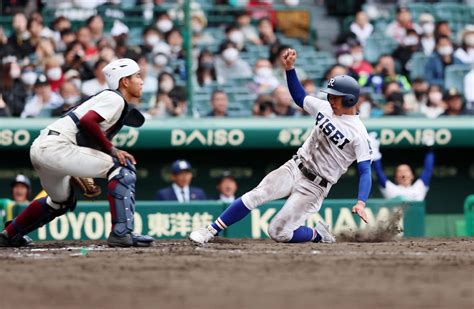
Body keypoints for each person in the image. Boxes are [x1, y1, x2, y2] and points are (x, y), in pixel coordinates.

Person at [189, 48, 373, 244]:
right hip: (295, 166)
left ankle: (318, 235)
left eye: (335, 96)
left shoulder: (359, 133)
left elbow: (365, 171)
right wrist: (290, 69)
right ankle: (210, 231)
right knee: (256, 195)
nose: (331, 99)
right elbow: (299, 96)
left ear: (350, 99)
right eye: (330, 95)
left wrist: (361, 202)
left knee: (278, 232)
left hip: (315, 186)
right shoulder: (324, 107)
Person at [0, 58, 154, 248]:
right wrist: (112, 149)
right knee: (123, 169)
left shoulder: (107, 99)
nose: (142, 80)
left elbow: (83, 136)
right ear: (124, 81)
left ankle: (9, 234)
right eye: (137, 76)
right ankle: (122, 233)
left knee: (60, 201)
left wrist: (80, 169)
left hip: (43, 148)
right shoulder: (115, 98)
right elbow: (88, 121)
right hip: (57, 147)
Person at [369, 133, 434, 201]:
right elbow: (379, 173)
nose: (403, 174)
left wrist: (429, 148)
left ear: (412, 176)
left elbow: (428, 170)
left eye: (406, 171)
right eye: (400, 171)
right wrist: (375, 152)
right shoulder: (391, 189)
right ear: (396, 178)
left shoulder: (418, 187)